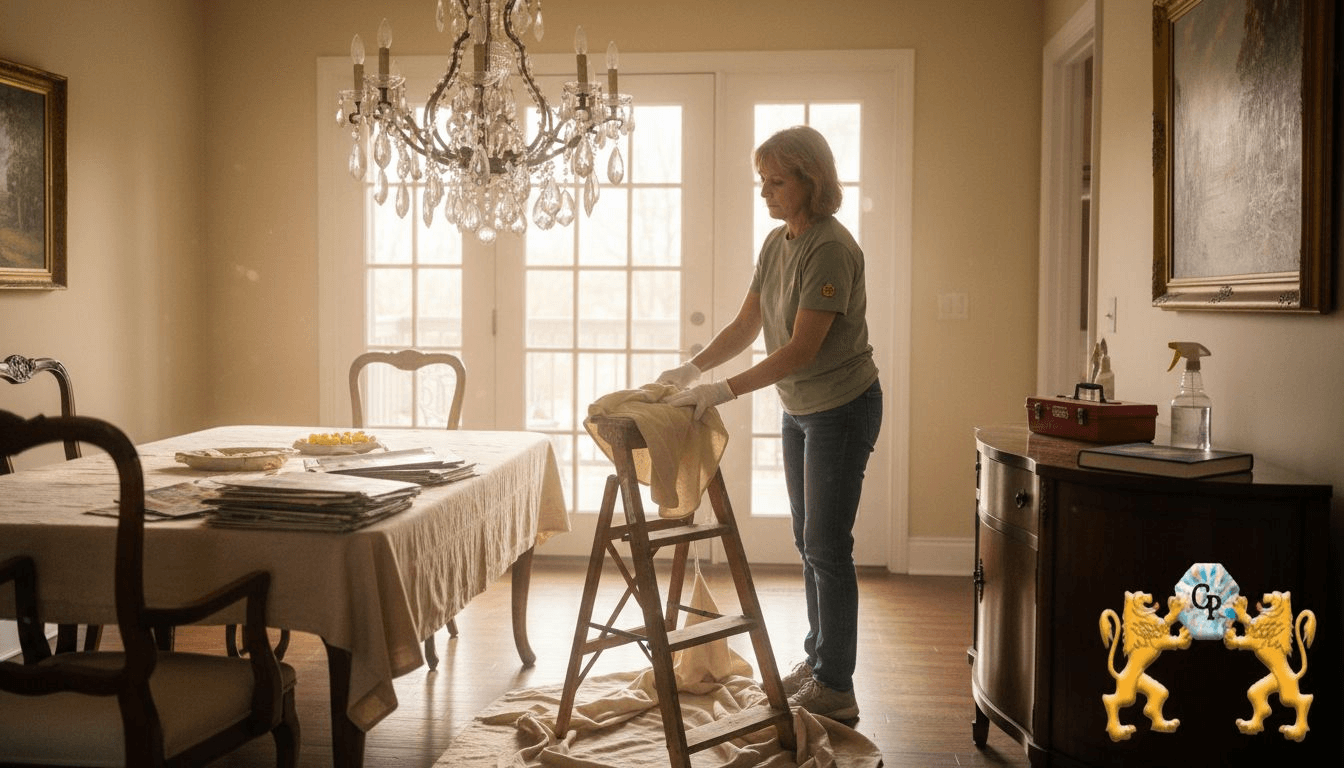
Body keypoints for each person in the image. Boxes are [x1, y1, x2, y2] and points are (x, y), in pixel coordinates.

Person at [657, 125, 882, 722]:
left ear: (812, 182)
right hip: (801, 410)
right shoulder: (777, 242)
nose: (766, 192)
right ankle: (820, 661)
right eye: (762, 180)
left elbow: (803, 348)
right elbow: (746, 325)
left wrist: (722, 391)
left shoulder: (830, 248)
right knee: (808, 542)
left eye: (777, 181)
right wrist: (691, 367)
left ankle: (839, 686)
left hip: (841, 408)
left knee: (828, 548)